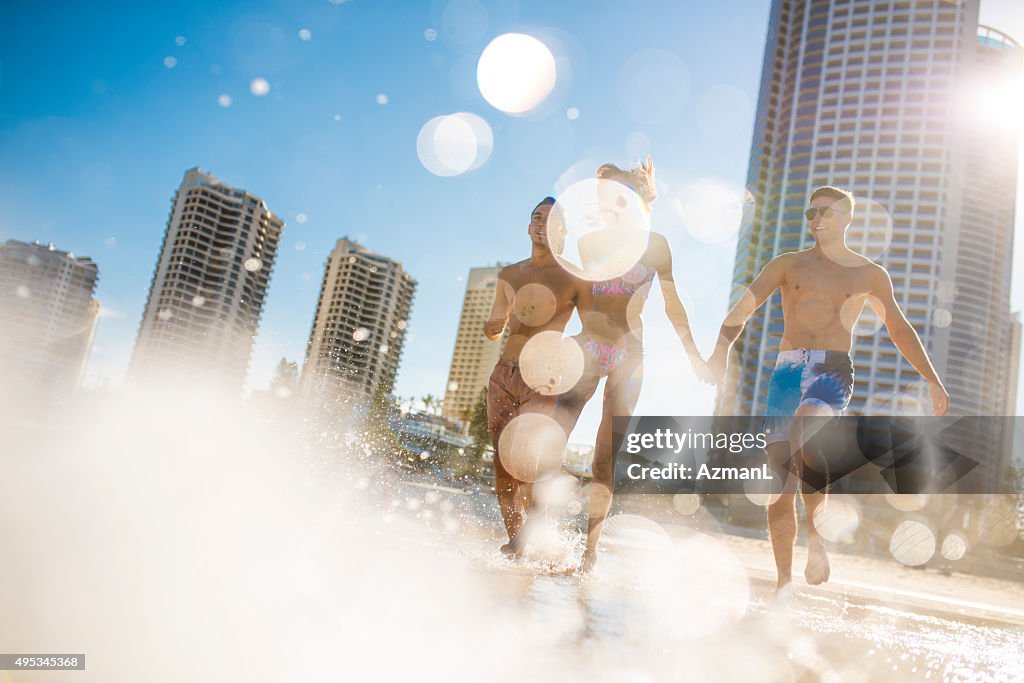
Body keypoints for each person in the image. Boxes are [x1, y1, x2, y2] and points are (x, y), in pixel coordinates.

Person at [705, 185, 949, 591]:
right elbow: (744, 307)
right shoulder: (788, 264)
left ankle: (817, 540)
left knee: (804, 434)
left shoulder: (869, 274)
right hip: (785, 374)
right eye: (811, 213)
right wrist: (720, 350)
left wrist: (931, 378)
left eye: (826, 212)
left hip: (831, 372)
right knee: (779, 486)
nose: (816, 219)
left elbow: (899, 328)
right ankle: (782, 586)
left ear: (848, 218)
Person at [554, 158, 710, 572]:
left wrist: (694, 355)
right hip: (590, 346)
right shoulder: (589, 244)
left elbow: (673, 306)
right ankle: (536, 532)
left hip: (631, 355)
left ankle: (588, 554)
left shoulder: (656, 245)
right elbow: (577, 300)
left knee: (605, 456)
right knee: (554, 437)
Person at [484, 196, 591, 557]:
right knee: (501, 464)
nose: (541, 225)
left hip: (542, 378)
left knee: (528, 462)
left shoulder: (574, 276)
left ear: (562, 230)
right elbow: (492, 328)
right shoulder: (509, 274)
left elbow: (592, 330)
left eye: (550, 220)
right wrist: (494, 323)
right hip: (503, 375)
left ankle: (531, 535)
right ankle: (518, 544)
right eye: (536, 218)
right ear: (528, 227)